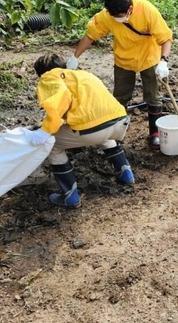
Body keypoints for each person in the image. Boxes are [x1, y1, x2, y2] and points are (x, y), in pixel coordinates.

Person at [67, 0, 173, 150]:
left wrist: (163, 61)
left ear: (129, 9)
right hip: (124, 60)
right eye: (113, 16)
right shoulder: (107, 15)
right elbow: (91, 35)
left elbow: (165, 37)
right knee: (120, 98)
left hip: (149, 58)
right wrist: (75, 57)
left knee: (153, 96)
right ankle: (116, 134)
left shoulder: (147, 10)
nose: (116, 19)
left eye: (119, 16)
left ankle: (154, 133)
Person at [28, 53, 135, 209]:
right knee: (103, 135)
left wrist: (45, 130)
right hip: (119, 123)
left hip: (92, 131)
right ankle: (126, 174)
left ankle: (70, 196)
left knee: (52, 144)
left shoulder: (49, 77)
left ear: (41, 73)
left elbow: (60, 100)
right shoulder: (82, 74)